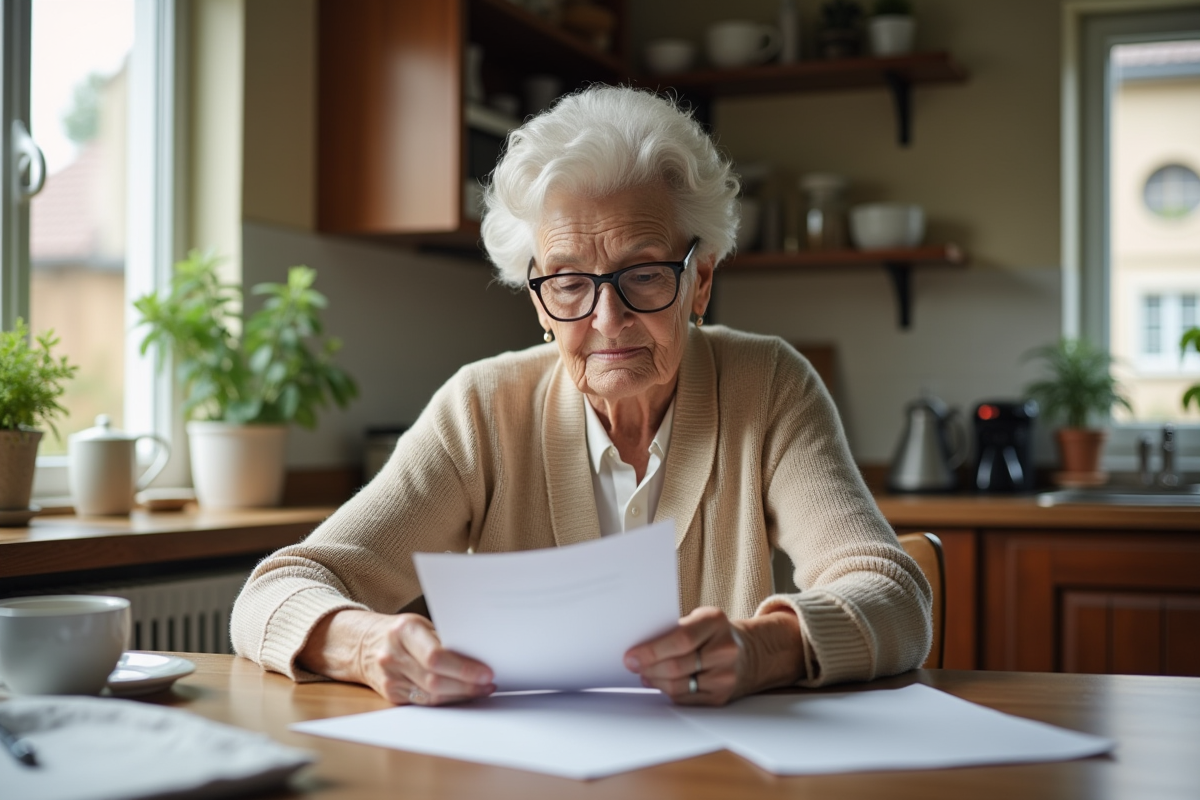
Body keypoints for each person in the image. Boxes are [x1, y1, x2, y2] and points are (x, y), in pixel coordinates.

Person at [230, 85, 931, 707]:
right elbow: (276, 590)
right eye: (568, 282)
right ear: (538, 300)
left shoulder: (769, 386)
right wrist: (364, 644)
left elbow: (896, 596)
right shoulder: (482, 409)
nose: (606, 320)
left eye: (644, 274)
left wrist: (762, 649)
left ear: (701, 280)